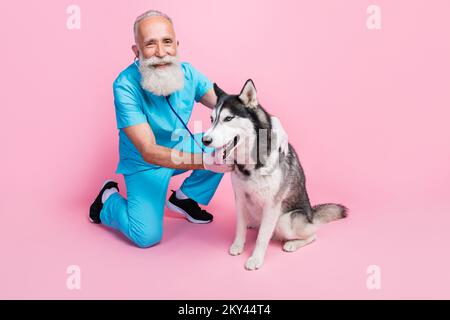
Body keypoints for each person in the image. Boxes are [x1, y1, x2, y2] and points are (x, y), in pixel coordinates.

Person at [89, 9, 287, 248]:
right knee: (147, 237)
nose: (161, 53)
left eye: (167, 42)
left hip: (181, 147)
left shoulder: (189, 73)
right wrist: (205, 162)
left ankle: (185, 198)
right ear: (137, 51)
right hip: (145, 165)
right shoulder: (124, 86)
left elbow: (232, 109)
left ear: (177, 45)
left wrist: (272, 121)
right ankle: (108, 199)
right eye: (150, 44)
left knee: (223, 141)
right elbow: (149, 150)